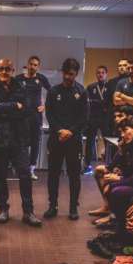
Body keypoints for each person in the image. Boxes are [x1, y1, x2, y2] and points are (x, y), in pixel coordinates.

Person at [0, 58, 42, 227]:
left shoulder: (21, 87)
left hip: (18, 139)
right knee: (0, 176)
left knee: (25, 175)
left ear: (13, 70)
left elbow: (26, 110)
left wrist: (2, 108)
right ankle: (3, 209)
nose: (4, 72)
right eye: (1, 68)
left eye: (7, 69)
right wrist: (12, 107)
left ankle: (28, 211)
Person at [43, 58, 87, 220]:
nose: (68, 77)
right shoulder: (53, 91)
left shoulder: (81, 92)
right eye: (66, 73)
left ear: (76, 74)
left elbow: (84, 117)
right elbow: (49, 114)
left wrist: (70, 131)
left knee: (74, 175)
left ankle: (73, 208)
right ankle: (52, 206)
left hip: (73, 141)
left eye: (71, 74)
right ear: (62, 72)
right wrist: (60, 130)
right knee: (53, 174)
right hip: (56, 139)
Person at [15, 56, 51, 180]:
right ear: (27, 64)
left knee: (35, 143)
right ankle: (22, 168)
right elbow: (11, 93)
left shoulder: (41, 78)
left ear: (38, 67)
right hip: (22, 117)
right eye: (31, 64)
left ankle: (31, 170)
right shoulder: (18, 79)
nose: (33, 67)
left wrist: (45, 106)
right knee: (22, 143)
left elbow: (52, 92)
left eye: (35, 65)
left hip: (36, 117)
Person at [83, 65, 110, 174]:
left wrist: (97, 103)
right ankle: (87, 166)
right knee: (90, 142)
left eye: (102, 72)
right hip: (93, 118)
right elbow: (87, 103)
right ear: (96, 74)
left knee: (107, 142)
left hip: (105, 119)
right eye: (98, 72)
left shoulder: (110, 87)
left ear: (106, 74)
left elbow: (110, 103)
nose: (100, 74)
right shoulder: (91, 87)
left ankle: (109, 165)